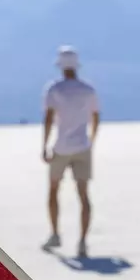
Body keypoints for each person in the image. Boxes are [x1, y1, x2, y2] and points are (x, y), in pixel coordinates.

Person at [41, 46, 100, 258]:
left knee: (53, 190)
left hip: (61, 147)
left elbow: (48, 118)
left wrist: (44, 144)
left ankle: (55, 233)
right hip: (82, 146)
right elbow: (95, 116)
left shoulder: (54, 89)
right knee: (83, 195)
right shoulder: (88, 89)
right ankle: (83, 241)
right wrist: (92, 139)